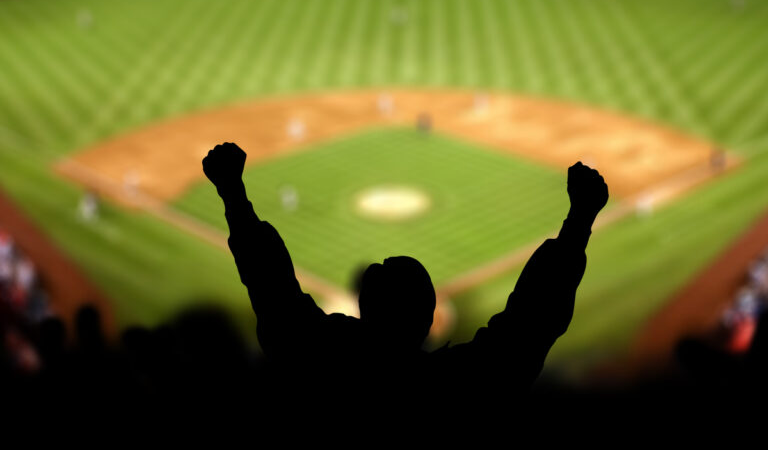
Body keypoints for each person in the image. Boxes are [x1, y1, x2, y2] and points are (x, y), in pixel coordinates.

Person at [202, 142, 608, 406]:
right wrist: (579, 220)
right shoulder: (457, 389)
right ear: (429, 320)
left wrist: (232, 192)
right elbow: (527, 329)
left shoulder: (317, 362)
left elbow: (273, 291)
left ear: (362, 308)